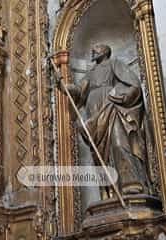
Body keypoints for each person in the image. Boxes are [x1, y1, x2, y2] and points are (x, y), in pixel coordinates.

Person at [63, 44, 151, 195]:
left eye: (96, 48)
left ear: (105, 51)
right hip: (94, 111)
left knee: (119, 143)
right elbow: (78, 91)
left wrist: (120, 96)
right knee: (100, 154)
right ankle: (110, 191)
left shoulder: (114, 64)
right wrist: (64, 87)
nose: (92, 51)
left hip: (111, 106)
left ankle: (131, 183)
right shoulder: (90, 74)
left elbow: (134, 84)